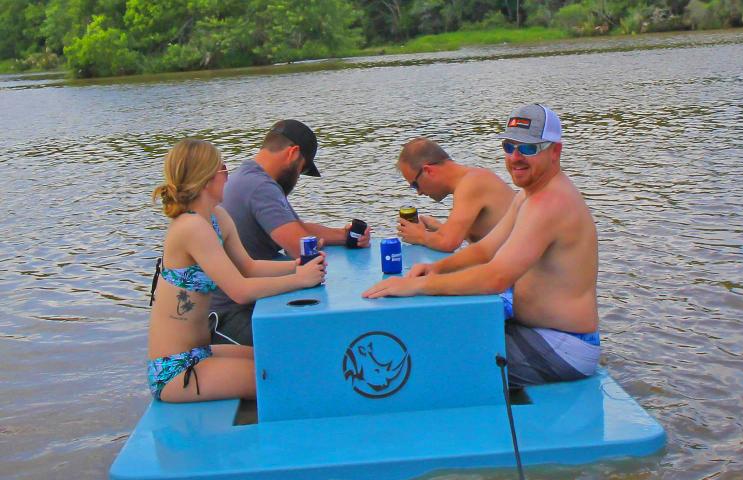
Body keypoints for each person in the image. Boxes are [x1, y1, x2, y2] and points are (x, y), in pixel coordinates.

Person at [363, 104, 600, 388]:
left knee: (432, 363)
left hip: (564, 347)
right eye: (509, 146)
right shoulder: (528, 196)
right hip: (537, 330)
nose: (515, 158)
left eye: (528, 149)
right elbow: (486, 250)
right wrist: (434, 269)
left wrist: (416, 286)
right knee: (440, 329)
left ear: (555, 152)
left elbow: (496, 277)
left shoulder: (549, 203)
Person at [148, 138, 325, 403]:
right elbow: (240, 291)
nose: (228, 175)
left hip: (202, 352)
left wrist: (296, 266)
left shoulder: (217, 218)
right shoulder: (190, 227)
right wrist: (299, 280)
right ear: (206, 177)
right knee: (282, 378)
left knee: (281, 358)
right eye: (223, 169)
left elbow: (249, 267)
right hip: (176, 368)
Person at [209, 119, 370, 346]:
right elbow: (299, 247)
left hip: (247, 300)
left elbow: (297, 227)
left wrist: (347, 236)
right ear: (293, 154)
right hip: (228, 315)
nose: (297, 178)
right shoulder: (260, 187)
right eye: (302, 169)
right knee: (310, 343)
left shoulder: (251, 175)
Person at [396, 138, 514, 251]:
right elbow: (480, 237)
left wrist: (420, 235)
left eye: (415, 185)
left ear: (428, 171)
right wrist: (439, 228)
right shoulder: (470, 180)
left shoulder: (472, 184)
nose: (419, 193)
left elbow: (449, 243)